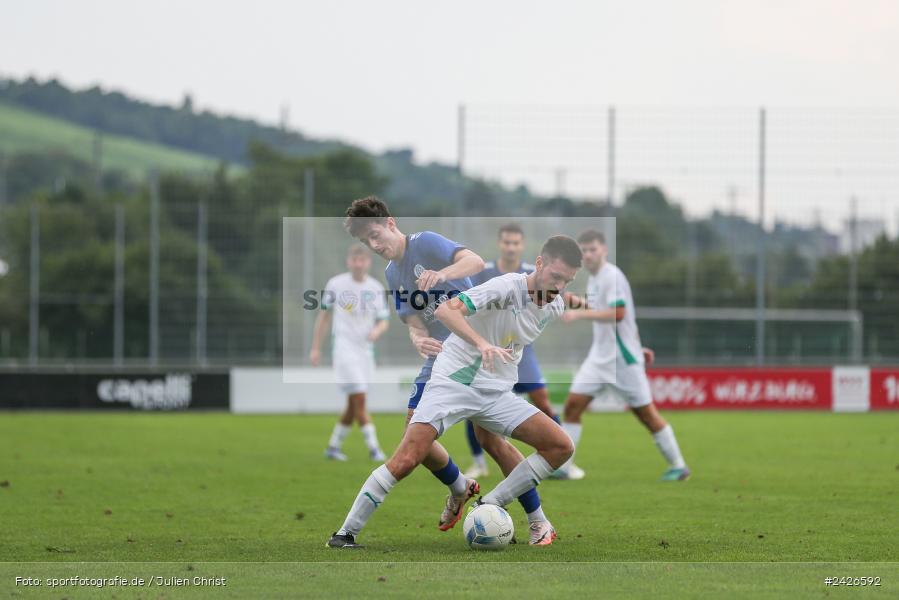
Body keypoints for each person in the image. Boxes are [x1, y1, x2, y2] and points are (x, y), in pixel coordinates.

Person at [327, 235, 582, 549]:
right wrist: (482, 344)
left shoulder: (554, 303)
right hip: (453, 382)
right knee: (408, 456)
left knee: (560, 447)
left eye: (567, 281)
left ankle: (492, 503)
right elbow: (448, 311)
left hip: (496, 392)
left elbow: (559, 306)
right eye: (555, 277)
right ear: (539, 263)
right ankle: (344, 534)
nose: (559, 287)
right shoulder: (505, 287)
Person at [555, 229, 690, 481]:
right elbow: (602, 309)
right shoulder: (595, 279)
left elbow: (618, 315)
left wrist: (578, 314)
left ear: (604, 250)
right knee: (573, 405)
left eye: (593, 249)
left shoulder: (612, 276)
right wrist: (578, 302)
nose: (588, 254)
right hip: (599, 358)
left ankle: (679, 466)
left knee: (647, 415)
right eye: (583, 250)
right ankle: (564, 466)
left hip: (622, 361)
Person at [463, 223, 559, 479]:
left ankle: (558, 461)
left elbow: (558, 294)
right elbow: (468, 299)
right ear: (500, 244)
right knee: (474, 411)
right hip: (489, 353)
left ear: (522, 245)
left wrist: (584, 305)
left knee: (543, 403)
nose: (511, 247)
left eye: (515, 243)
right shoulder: (485, 272)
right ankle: (478, 463)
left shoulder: (533, 271)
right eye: (507, 242)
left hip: (522, 352)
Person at [310, 244, 389, 461]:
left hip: (365, 352)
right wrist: (316, 347)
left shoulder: (375, 288)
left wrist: (376, 330)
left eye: (362, 260)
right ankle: (374, 449)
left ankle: (333, 447)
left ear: (368, 263)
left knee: (353, 404)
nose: (358, 264)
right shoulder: (336, 284)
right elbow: (323, 317)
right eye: (355, 260)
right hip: (344, 349)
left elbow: (384, 321)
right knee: (360, 399)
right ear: (349, 262)